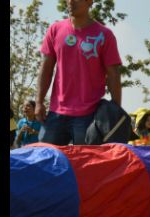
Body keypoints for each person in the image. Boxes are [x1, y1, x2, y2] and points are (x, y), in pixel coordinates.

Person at [35, 0, 122, 145]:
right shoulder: (55, 29)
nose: (70, 1)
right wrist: (38, 101)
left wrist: (115, 111)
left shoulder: (104, 35)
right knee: (45, 161)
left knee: (86, 166)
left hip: (90, 116)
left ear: (89, 2)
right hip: (56, 114)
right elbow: (46, 68)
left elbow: (113, 74)